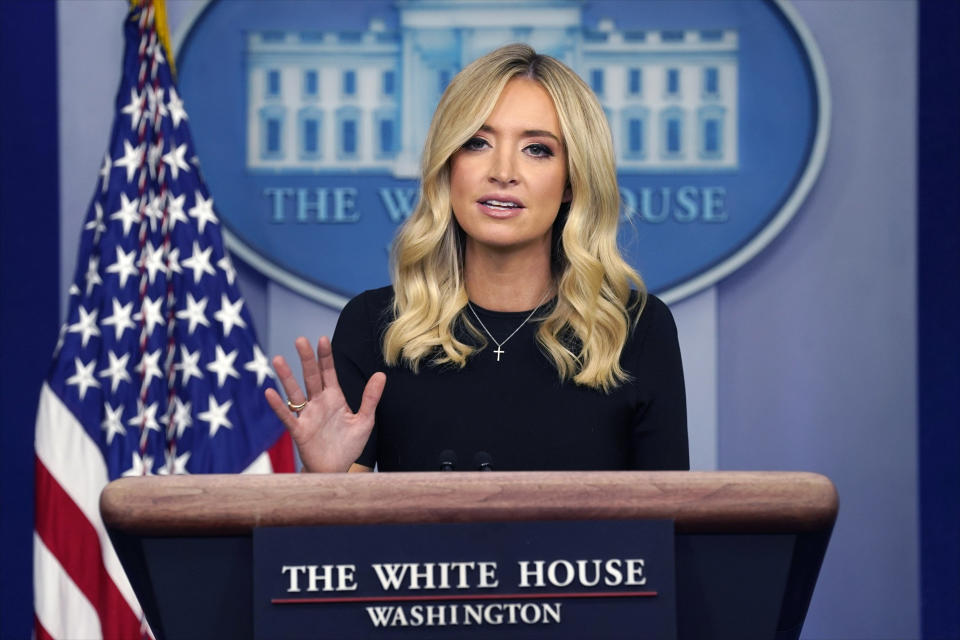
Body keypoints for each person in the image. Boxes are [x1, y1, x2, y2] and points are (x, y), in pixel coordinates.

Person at [265, 44, 688, 472]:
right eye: (477, 142)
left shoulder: (636, 330)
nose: (503, 172)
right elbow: (341, 534)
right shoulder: (375, 325)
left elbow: (665, 528)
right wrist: (327, 477)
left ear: (571, 183)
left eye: (537, 149)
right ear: (448, 167)